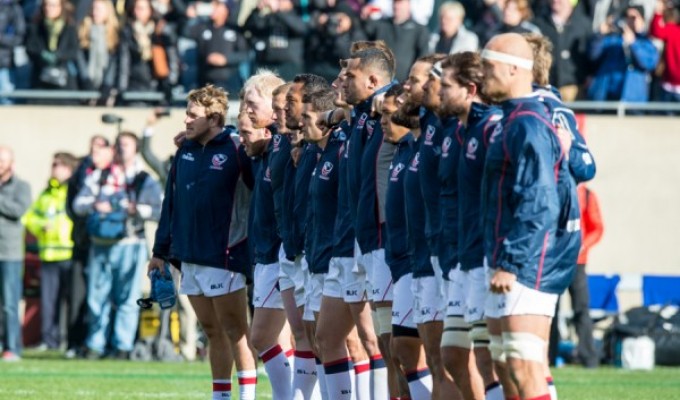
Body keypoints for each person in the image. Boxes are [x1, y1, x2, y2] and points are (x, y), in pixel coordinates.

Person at [149, 84, 256, 400]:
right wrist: (160, 252)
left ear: (213, 117)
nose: (185, 120)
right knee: (212, 332)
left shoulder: (237, 148)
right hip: (189, 255)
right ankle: (220, 396)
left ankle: (247, 396)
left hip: (224, 255)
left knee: (236, 330)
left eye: (192, 114)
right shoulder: (185, 150)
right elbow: (172, 202)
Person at [480, 33, 570, 400]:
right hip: (507, 258)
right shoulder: (511, 118)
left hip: (526, 265)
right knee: (505, 362)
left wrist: (511, 263)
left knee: (523, 363)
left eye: (488, 66)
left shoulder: (527, 123)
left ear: (514, 69)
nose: (481, 74)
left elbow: (541, 202)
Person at [73, 132, 162, 360]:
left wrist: (137, 209)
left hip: (131, 243)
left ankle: (122, 345)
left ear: (136, 148)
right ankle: (96, 344)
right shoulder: (100, 175)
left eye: (127, 145)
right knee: (96, 297)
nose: (122, 149)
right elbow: (78, 205)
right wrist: (96, 204)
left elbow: (160, 210)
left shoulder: (143, 179)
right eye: (119, 145)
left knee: (127, 297)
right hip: (101, 244)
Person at [244, 70, 296, 400]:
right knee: (274, 339)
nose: (246, 111)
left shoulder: (288, 139)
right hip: (265, 253)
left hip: (284, 252)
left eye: (251, 103)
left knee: (264, 336)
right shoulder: (268, 143)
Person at [382, 83, 433, 399]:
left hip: (428, 261)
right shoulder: (402, 149)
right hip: (401, 260)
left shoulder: (425, 145)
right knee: (399, 347)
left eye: (388, 115)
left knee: (444, 356)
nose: (383, 121)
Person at [23, 152, 78, 351]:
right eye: (53, 164)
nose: (54, 168)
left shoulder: (73, 190)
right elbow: (28, 218)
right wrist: (41, 226)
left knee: (71, 301)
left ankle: (69, 341)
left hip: (69, 253)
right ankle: (49, 341)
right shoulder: (45, 194)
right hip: (49, 254)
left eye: (59, 165)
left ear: (69, 169)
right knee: (48, 303)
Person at [64, 134, 109, 359]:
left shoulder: (113, 172)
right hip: (83, 242)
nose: (95, 152)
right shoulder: (81, 172)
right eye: (93, 148)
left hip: (106, 243)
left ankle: (99, 342)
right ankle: (75, 342)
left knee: (102, 294)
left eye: (100, 148)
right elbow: (72, 206)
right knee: (79, 294)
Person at [588, 5, 659, 102]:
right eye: (626, 17)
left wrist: (634, 44)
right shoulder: (613, 39)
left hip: (632, 99)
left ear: (642, 20)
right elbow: (593, 55)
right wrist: (599, 35)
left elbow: (649, 63)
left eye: (633, 18)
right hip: (606, 97)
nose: (629, 21)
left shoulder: (646, 42)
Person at [0, 145, 32, 361]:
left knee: (10, 304)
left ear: (12, 163)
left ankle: (12, 347)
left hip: (9, 254)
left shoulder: (22, 186)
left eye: (3, 160)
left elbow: (18, 210)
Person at [184, 0, 249, 94]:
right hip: (205, 82)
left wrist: (226, 59)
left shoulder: (234, 30)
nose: (213, 8)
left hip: (229, 83)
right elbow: (185, 32)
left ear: (226, 10)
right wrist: (191, 18)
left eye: (217, 5)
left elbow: (245, 54)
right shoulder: (203, 26)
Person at [571, 184, 604, 368]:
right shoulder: (554, 185)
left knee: (581, 308)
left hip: (578, 262)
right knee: (549, 310)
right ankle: (548, 357)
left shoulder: (588, 195)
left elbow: (597, 227)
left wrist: (583, 245)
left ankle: (589, 357)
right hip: (555, 260)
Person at [533, 0, 593, 101]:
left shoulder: (583, 25)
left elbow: (590, 55)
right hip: (547, 86)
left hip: (575, 87)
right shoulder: (539, 24)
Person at [363, 0, 430, 81]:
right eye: (395, 2)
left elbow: (423, 59)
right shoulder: (380, 25)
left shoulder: (419, 30)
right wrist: (364, 19)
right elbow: (362, 42)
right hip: (378, 82)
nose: (397, 6)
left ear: (408, 5)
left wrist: (412, 81)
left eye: (400, 3)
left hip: (403, 85)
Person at [244, 0, 308, 80]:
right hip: (269, 64)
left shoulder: (296, 16)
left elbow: (301, 29)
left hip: (289, 65)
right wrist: (257, 10)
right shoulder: (270, 17)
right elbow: (249, 28)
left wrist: (277, 10)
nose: (278, 2)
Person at [25, 0, 79, 91]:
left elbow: (74, 50)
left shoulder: (69, 27)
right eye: (46, 5)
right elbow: (30, 47)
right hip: (40, 77)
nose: (48, 8)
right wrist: (42, 54)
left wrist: (58, 56)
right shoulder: (36, 26)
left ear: (60, 7)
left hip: (63, 77)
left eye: (53, 5)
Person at [76, 0, 120, 104]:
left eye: (99, 9)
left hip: (106, 87)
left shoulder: (115, 35)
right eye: (93, 9)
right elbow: (79, 58)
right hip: (85, 85)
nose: (95, 12)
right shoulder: (83, 32)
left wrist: (107, 85)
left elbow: (114, 62)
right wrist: (86, 81)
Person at [649, 0, 680, 102]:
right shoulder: (673, 30)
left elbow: (656, 31)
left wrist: (658, 12)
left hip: (671, 83)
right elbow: (656, 32)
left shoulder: (673, 30)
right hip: (669, 84)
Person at [0, 0, 26, 105]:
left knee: (7, 99)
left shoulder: (13, 8)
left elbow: (19, 37)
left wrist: (1, 38)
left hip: (4, 63)